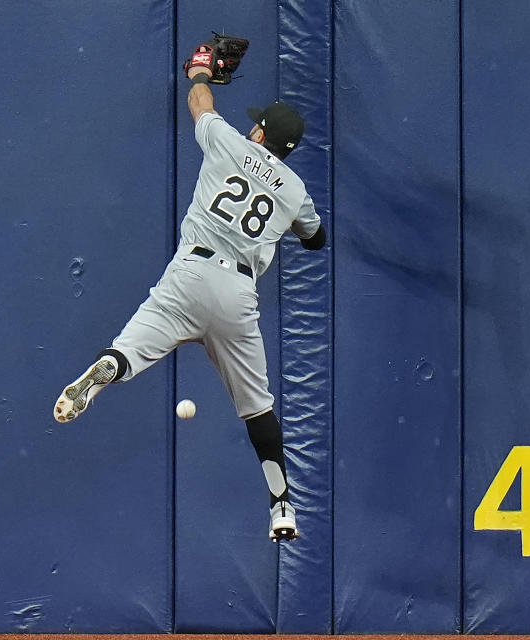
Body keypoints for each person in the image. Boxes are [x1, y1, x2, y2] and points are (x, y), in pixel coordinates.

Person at [52, 43, 326, 542]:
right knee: (258, 409)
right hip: (237, 295)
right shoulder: (294, 190)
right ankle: (282, 505)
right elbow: (316, 238)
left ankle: (111, 367)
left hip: (189, 273)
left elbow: (201, 104)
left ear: (260, 132)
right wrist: (288, 210)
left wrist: (201, 70)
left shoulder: (228, 142)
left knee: (127, 349)